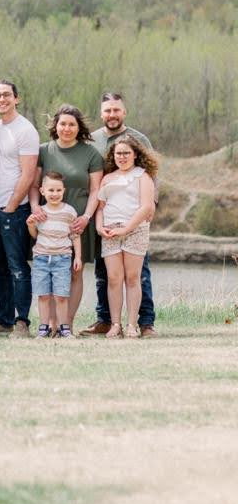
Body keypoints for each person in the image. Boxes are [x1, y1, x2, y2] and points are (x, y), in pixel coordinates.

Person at [85, 92, 157, 337]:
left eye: (116, 110)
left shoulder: (139, 139)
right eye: (107, 110)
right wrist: (97, 221)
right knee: (105, 274)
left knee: (138, 275)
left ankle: (144, 322)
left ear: (124, 112)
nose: (112, 114)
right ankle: (107, 320)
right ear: (101, 113)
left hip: (134, 219)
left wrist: (151, 206)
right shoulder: (92, 139)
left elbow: (151, 176)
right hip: (107, 217)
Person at [30, 105, 103, 333]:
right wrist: (35, 208)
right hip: (48, 222)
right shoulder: (44, 151)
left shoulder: (91, 153)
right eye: (63, 123)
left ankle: (66, 324)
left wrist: (87, 217)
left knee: (74, 272)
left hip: (78, 222)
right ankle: (50, 324)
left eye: (72, 124)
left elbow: (96, 190)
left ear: (79, 127)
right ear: (56, 125)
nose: (67, 128)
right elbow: (34, 185)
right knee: (49, 274)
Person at [0, 80, 40, 338]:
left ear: (17, 98)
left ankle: (22, 321)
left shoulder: (25, 130)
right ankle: (3, 318)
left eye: (6, 94)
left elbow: (28, 174)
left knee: (17, 267)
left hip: (13, 210)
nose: (2, 99)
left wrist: (12, 205)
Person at [26, 172, 81, 339]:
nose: (55, 194)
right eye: (51, 190)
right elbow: (35, 235)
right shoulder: (40, 212)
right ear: (42, 191)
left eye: (58, 190)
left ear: (63, 191)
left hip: (62, 258)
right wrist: (30, 225)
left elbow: (75, 236)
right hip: (41, 258)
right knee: (43, 295)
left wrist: (78, 257)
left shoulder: (69, 211)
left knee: (61, 296)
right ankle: (44, 328)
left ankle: (64, 328)